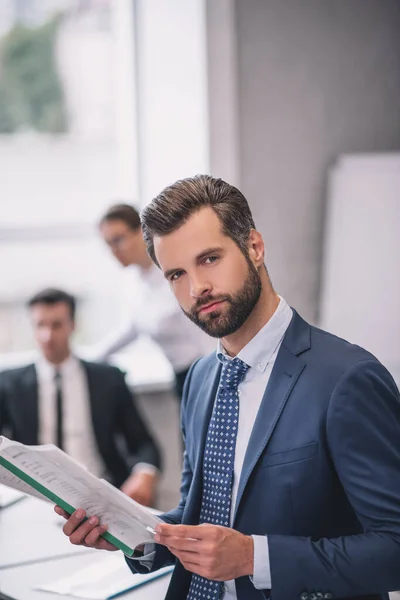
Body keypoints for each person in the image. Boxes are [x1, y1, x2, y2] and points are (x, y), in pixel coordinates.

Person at [56, 175, 400, 600]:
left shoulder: (347, 379)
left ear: (254, 247)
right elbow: (198, 513)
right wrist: (131, 534)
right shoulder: (200, 379)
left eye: (210, 259)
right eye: (177, 273)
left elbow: (394, 550)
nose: (196, 288)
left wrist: (255, 558)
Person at [0, 288, 161, 507]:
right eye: (40, 325)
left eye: (56, 325)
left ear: (72, 325)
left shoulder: (108, 379)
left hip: (102, 494)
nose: (47, 336)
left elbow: (143, 442)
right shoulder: (9, 384)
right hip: (34, 498)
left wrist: (145, 474)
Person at [95, 203, 213, 401]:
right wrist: (89, 359)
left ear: (141, 232)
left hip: (205, 373)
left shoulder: (175, 275)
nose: (114, 251)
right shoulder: (138, 284)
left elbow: (208, 335)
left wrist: (219, 380)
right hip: (181, 378)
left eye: (118, 240)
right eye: (108, 245)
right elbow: (132, 328)